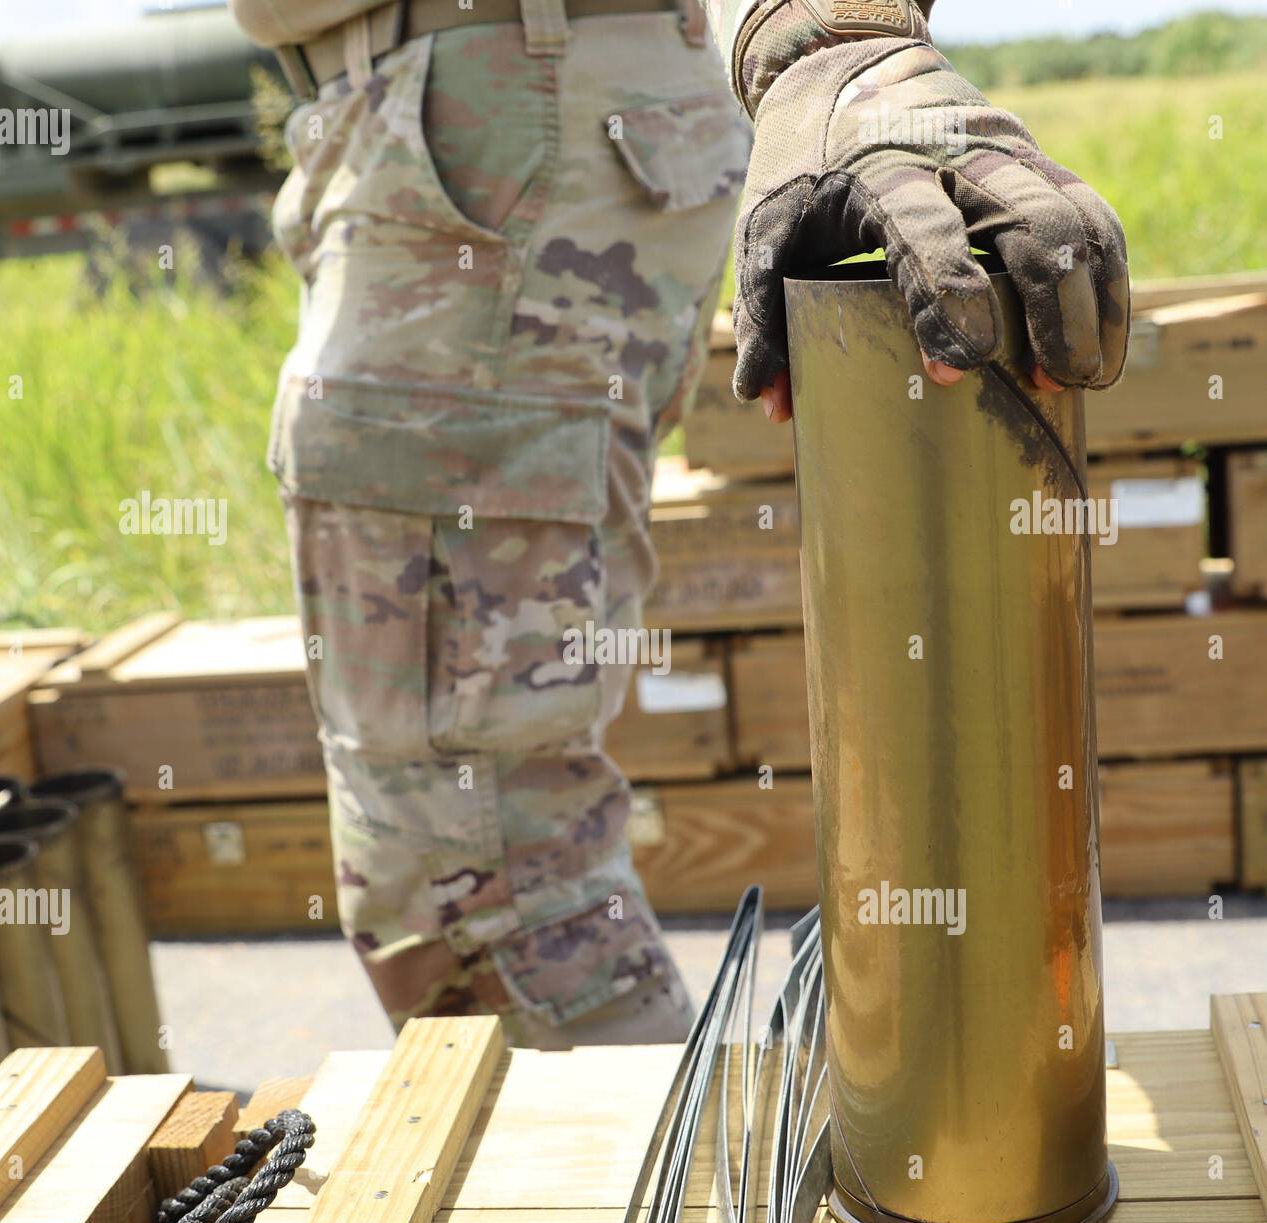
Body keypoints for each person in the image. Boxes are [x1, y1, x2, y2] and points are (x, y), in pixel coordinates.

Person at [229, 0, 1129, 1045]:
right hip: (508, 129)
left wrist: (827, 44)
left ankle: (646, 1197)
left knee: (464, 870)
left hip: (490, 132)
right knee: (476, 841)